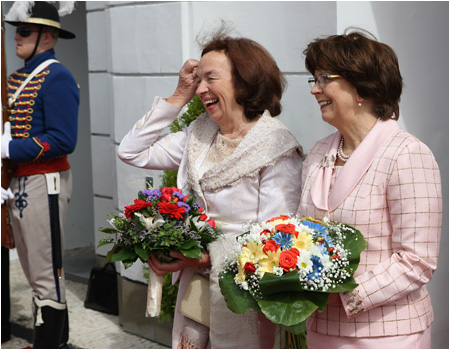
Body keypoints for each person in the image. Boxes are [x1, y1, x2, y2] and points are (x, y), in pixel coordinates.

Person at [118, 30, 304, 349]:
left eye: (211, 78)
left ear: (244, 81)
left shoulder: (276, 147)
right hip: (198, 288)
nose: (201, 88)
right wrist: (178, 96)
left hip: (244, 289)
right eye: (196, 79)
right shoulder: (200, 134)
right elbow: (130, 151)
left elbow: (274, 239)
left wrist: (202, 258)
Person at [297, 29, 442, 348]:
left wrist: (346, 295)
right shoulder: (320, 151)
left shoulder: (407, 154)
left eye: (324, 78)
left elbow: (417, 260)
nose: (315, 89)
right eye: (314, 79)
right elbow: (301, 233)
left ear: (362, 85)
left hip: (386, 333)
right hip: (321, 329)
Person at [1, 2, 79, 348]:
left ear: (47, 37)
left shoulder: (56, 76)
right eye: (16, 30)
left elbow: (64, 140)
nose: (15, 36)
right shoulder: (17, 77)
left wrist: (9, 149)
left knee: (47, 274)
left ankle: (50, 344)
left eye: (24, 31)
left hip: (43, 181)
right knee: (33, 271)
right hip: (17, 182)